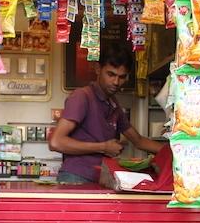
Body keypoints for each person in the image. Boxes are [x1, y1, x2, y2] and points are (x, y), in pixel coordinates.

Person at [48, 44, 163, 184]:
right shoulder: (82, 97)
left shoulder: (113, 103)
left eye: (122, 77)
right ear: (97, 69)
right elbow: (56, 142)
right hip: (76, 178)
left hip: (101, 178)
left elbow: (138, 140)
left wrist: (174, 151)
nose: (116, 82)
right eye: (111, 74)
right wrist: (103, 147)